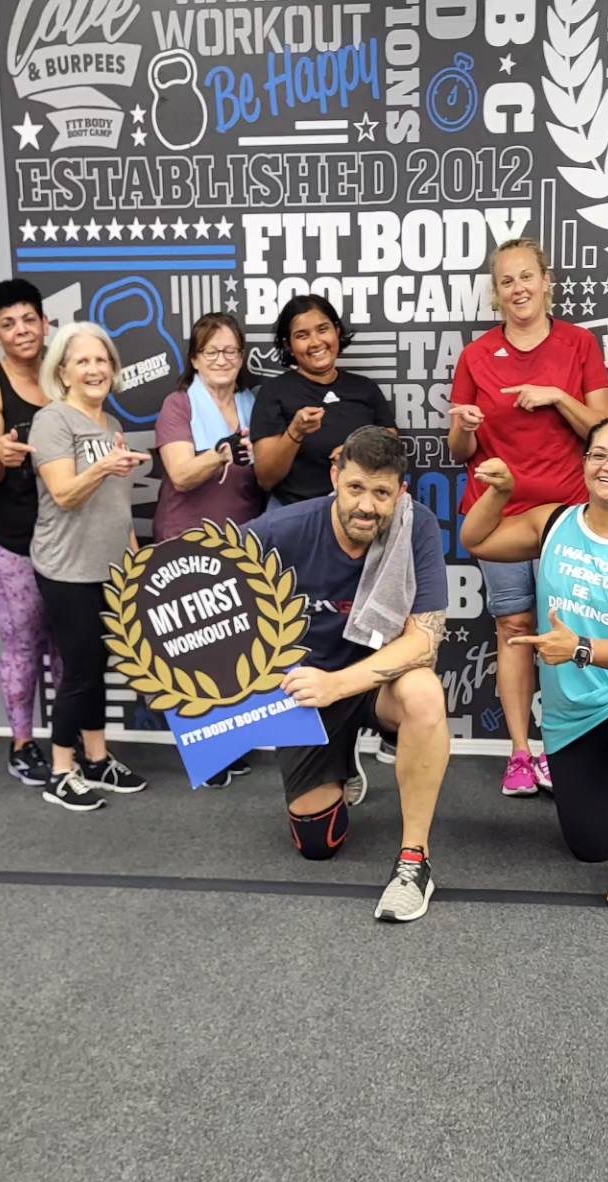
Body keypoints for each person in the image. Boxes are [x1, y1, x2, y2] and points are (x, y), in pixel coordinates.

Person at [462, 417, 608, 907]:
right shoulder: (553, 523)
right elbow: (476, 541)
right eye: (599, 455)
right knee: (592, 847)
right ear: (584, 463)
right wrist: (500, 494)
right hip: (573, 710)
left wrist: (580, 648)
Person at [243, 426, 450, 922]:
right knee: (318, 843)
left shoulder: (415, 525)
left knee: (424, 691)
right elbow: (207, 587)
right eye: (356, 487)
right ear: (335, 477)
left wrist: (338, 684)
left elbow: (425, 640)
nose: (366, 506)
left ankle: (414, 861)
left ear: (400, 492)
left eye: (381, 493)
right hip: (306, 691)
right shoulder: (280, 530)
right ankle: (340, 760)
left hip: (374, 684)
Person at [449, 237, 608, 797]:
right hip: (498, 518)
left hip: (566, 516)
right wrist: (465, 425)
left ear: (546, 282)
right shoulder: (476, 355)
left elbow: (603, 432)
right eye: (506, 281)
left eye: (526, 277)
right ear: (496, 293)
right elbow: (459, 451)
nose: (517, 289)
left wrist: (556, 397)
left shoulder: (579, 344)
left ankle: (563, 750)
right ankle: (520, 754)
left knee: (567, 633)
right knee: (514, 628)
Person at [29, 321, 150, 812]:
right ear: (63, 371)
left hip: (110, 569)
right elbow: (64, 494)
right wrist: (102, 467)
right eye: (83, 361)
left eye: (102, 360)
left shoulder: (111, 426)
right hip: (67, 569)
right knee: (80, 670)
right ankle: (61, 770)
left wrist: (135, 560)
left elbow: (118, 509)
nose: (95, 369)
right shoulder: (53, 420)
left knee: (97, 667)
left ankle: (97, 759)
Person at [155, 312, 265, 788]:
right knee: (195, 646)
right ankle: (206, 749)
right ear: (195, 359)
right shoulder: (178, 405)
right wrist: (221, 453)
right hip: (187, 537)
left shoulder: (255, 402)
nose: (222, 359)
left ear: (242, 357)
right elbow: (181, 474)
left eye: (231, 351)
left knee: (234, 643)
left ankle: (229, 740)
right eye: (211, 351)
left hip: (243, 536)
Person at [0, 277, 59, 787]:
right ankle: (22, 745)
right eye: (8, 323)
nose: (21, 330)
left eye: (28, 319)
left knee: (69, 644)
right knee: (23, 641)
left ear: (45, 323)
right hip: (9, 536)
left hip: (65, 537)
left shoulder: (63, 374)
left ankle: (69, 742)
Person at [249, 294, 396, 506]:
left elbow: (393, 448)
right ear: (289, 345)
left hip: (363, 509)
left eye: (323, 329)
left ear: (337, 332)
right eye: (302, 335)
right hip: (296, 511)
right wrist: (295, 432)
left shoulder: (365, 388)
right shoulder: (273, 392)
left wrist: (357, 451)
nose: (316, 342)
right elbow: (266, 478)